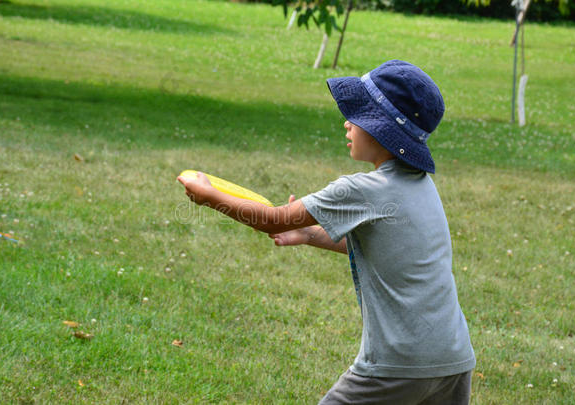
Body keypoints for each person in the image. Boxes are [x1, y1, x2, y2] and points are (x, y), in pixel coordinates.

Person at [178, 60, 476, 404]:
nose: (347, 123)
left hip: (398, 362)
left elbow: (273, 219)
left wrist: (209, 196)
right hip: (453, 358)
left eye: (359, 116)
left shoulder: (363, 189)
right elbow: (386, 247)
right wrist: (308, 234)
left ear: (382, 130)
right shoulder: (421, 187)